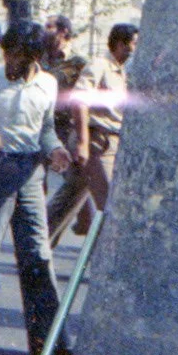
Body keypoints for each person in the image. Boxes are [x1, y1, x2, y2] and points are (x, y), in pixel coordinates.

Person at [0, 20, 73, 355]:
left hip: (31, 173)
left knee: (38, 255)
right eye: (6, 53)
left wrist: (55, 149)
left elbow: (46, 130)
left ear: (34, 56)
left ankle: (48, 344)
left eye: (17, 56)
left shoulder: (48, 83)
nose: (9, 61)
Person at [70, 23, 139, 213]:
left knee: (69, 200)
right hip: (98, 143)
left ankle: (40, 241)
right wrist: (83, 143)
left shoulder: (122, 71)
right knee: (110, 204)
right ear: (120, 44)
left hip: (111, 142)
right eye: (134, 43)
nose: (136, 49)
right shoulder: (99, 65)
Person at [41, 15, 93, 246]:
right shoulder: (39, 58)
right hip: (39, 125)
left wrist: (82, 136)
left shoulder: (79, 63)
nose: (44, 30)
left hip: (66, 127)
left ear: (63, 32)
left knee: (77, 180)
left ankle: (45, 238)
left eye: (49, 26)